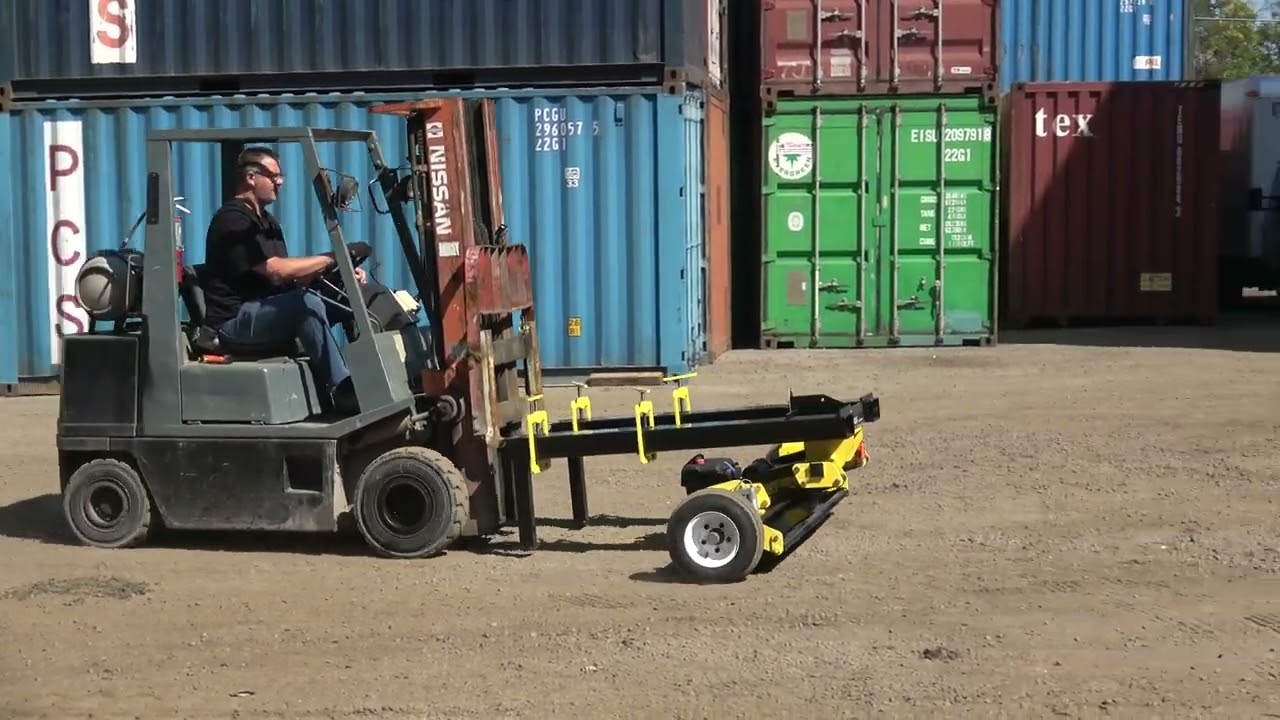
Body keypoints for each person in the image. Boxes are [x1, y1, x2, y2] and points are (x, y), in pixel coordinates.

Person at [199, 146, 369, 415]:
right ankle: (342, 390)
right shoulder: (233, 220)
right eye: (274, 176)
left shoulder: (268, 222)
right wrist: (332, 256)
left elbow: (292, 278)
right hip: (235, 320)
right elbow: (276, 271)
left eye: (281, 176)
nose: (280, 182)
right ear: (251, 177)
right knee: (305, 304)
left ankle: (384, 375)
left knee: (355, 297)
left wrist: (340, 273)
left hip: (267, 310)